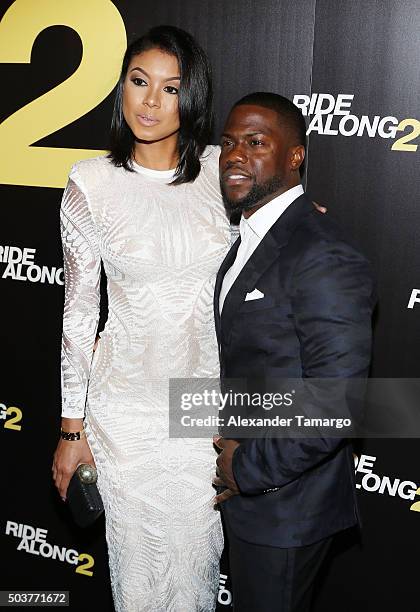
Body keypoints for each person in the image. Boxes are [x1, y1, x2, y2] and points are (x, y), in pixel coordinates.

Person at [52, 26, 230, 612]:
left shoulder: (221, 172)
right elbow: (79, 311)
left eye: (171, 88)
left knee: (195, 572)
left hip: (201, 412)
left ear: (193, 97)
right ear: (122, 86)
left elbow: (274, 234)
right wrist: (71, 431)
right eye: (139, 81)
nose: (150, 101)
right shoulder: (90, 183)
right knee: (139, 584)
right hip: (124, 414)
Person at [213, 92, 376, 611]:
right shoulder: (252, 235)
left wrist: (248, 469)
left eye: (256, 142)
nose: (235, 155)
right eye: (228, 143)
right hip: (256, 500)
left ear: (295, 156)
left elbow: (336, 404)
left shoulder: (321, 250)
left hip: (286, 506)